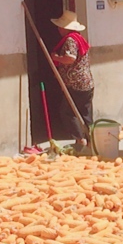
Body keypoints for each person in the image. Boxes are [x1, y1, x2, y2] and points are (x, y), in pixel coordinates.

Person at [50, 10, 94, 151]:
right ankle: (92, 141)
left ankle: (80, 140)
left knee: (67, 112)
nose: (58, 29)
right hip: (86, 83)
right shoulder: (79, 38)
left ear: (65, 28)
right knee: (85, 113)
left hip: (77, 83)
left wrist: (56, 58)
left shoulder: (70, 40)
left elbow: (70, 58)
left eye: (60, 26)